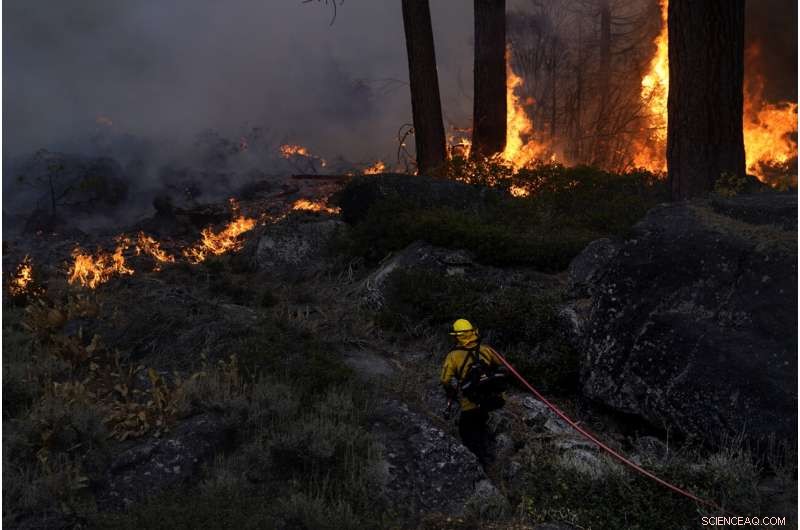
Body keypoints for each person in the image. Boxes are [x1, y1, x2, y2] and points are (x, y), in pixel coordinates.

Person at [440, 318, 506, 467]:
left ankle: (479, 463)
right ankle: (488, 453)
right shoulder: (486, 349)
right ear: (472, 332)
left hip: (472, 404)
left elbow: (445, 380)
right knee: (481, 425)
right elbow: (503, 367)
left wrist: (451, 392)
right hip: (495, 399)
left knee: (466, 431)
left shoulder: (453, 356)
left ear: (457, 336)